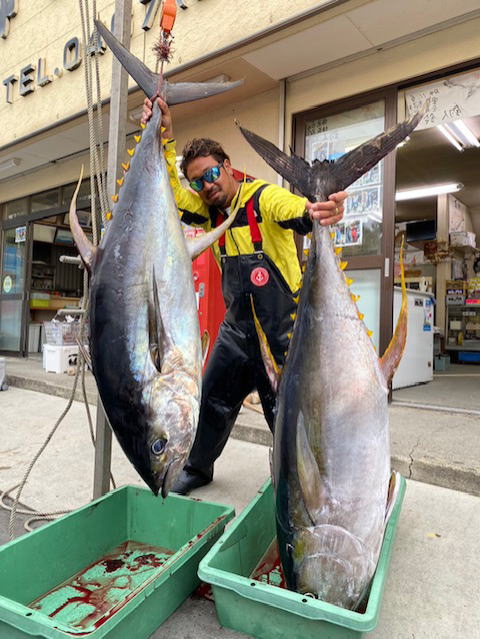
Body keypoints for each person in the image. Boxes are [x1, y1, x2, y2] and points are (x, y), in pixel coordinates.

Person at [141, 97, 347, 495]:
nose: (207, 185)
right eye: (198, 180)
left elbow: (297, 209)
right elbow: (167, 189)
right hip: (236, 334)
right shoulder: (207, 211)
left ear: (228, 166)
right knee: (211, 400)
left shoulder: (263, 198)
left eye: (213, 173)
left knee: (292, 413)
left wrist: (318, 211)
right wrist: (162, 135)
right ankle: (197, 467)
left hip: (283, 335)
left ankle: (312, 481)